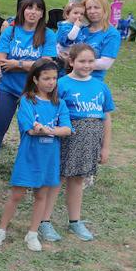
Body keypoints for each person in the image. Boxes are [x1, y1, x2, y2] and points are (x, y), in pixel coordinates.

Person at [0, 58, 71, 253]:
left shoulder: (59, 103)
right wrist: (49, 129)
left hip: (49, 158)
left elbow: (67, 129)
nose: (51, 82)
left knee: (41, 196)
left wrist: (47, 130)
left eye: (54, 78)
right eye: (46, 78)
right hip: (29, 156)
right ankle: (1, 229)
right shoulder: (27, 101)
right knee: (17, 194)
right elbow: (30, 129)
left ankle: (32, 233)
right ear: (35, 80)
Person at [0, 0, 57, 165]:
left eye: (38, 9)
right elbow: (2, 61)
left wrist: (17, 63)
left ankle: (28, 167)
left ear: (42, 14)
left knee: (31, 130)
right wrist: (30, 65)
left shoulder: (48, 34)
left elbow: (46, 64)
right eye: (29, 8)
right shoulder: (10, 32)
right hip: (7, 88)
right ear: (22, 10)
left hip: (34, 90)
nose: (33, 12)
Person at [56, 44, 114, 242]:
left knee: (78, 180)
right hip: (66, 139)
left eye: (91, 61)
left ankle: (75, 221)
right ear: (71, 62)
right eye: (82, 61)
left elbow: (106, 118)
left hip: (89, 142)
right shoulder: (62, 84)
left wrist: (105, 147)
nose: (87, 65)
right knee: (57, 179)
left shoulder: (100, 86)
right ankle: (43, 221)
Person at [66, 0, 121, 80]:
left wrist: (75, 62)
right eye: (89, 8)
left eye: (96, 7)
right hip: (69, 77)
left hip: (92, 81)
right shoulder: (82, 29)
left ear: (104, 9)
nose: (92, 11)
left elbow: (105, 64)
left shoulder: (112, 34)